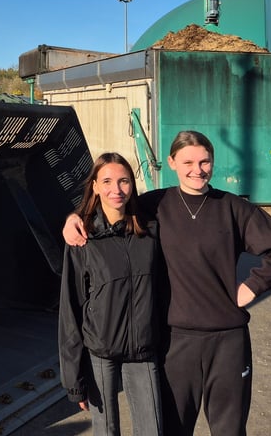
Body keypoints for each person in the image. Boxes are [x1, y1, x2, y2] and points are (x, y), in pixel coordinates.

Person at [65, 131, 271, 436]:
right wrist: (74, 217)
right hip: (175, 342)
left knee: (230, 429)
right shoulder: (156, 204)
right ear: (172, 162)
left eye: (205, 161)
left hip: (228, 340)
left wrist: (252, 287)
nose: (197, 169)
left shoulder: (233, 208)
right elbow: (111, 203)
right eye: (188, 161)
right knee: (174, 429)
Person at [58, 152, 164, 436]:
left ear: (132, 185)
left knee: (152, 430)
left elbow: (181, 193)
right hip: (99, 354)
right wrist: (74, 378)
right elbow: (71, 307)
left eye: (124, 181)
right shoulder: (83, 237)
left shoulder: (151, 229)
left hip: (143, 351)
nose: (116, 190)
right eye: (106, 181)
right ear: (94, 186)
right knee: (106, 431)